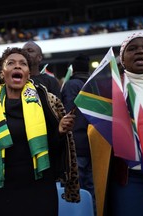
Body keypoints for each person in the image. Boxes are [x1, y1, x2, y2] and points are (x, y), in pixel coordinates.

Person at [0, 47, 80, 216]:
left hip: (40, 189)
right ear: (2, 73)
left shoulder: (47, 102)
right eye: (11, 63)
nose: (17, 67)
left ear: (28, 74)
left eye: (23, 64)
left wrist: (59, 132)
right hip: (3, 189)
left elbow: (56, 152)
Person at [91, 32, 143, 216]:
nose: (140, 52)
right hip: (128, 178)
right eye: (132, 48)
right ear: (122, 58)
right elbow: (93, 128)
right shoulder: (107, 90)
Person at [61, 54, 96, 214]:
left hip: (77, 144)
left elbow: (69, 114)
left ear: (73, 69)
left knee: (78, 188)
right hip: (95, 143)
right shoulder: (94, 83)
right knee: (93, 187)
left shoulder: (71, 85)